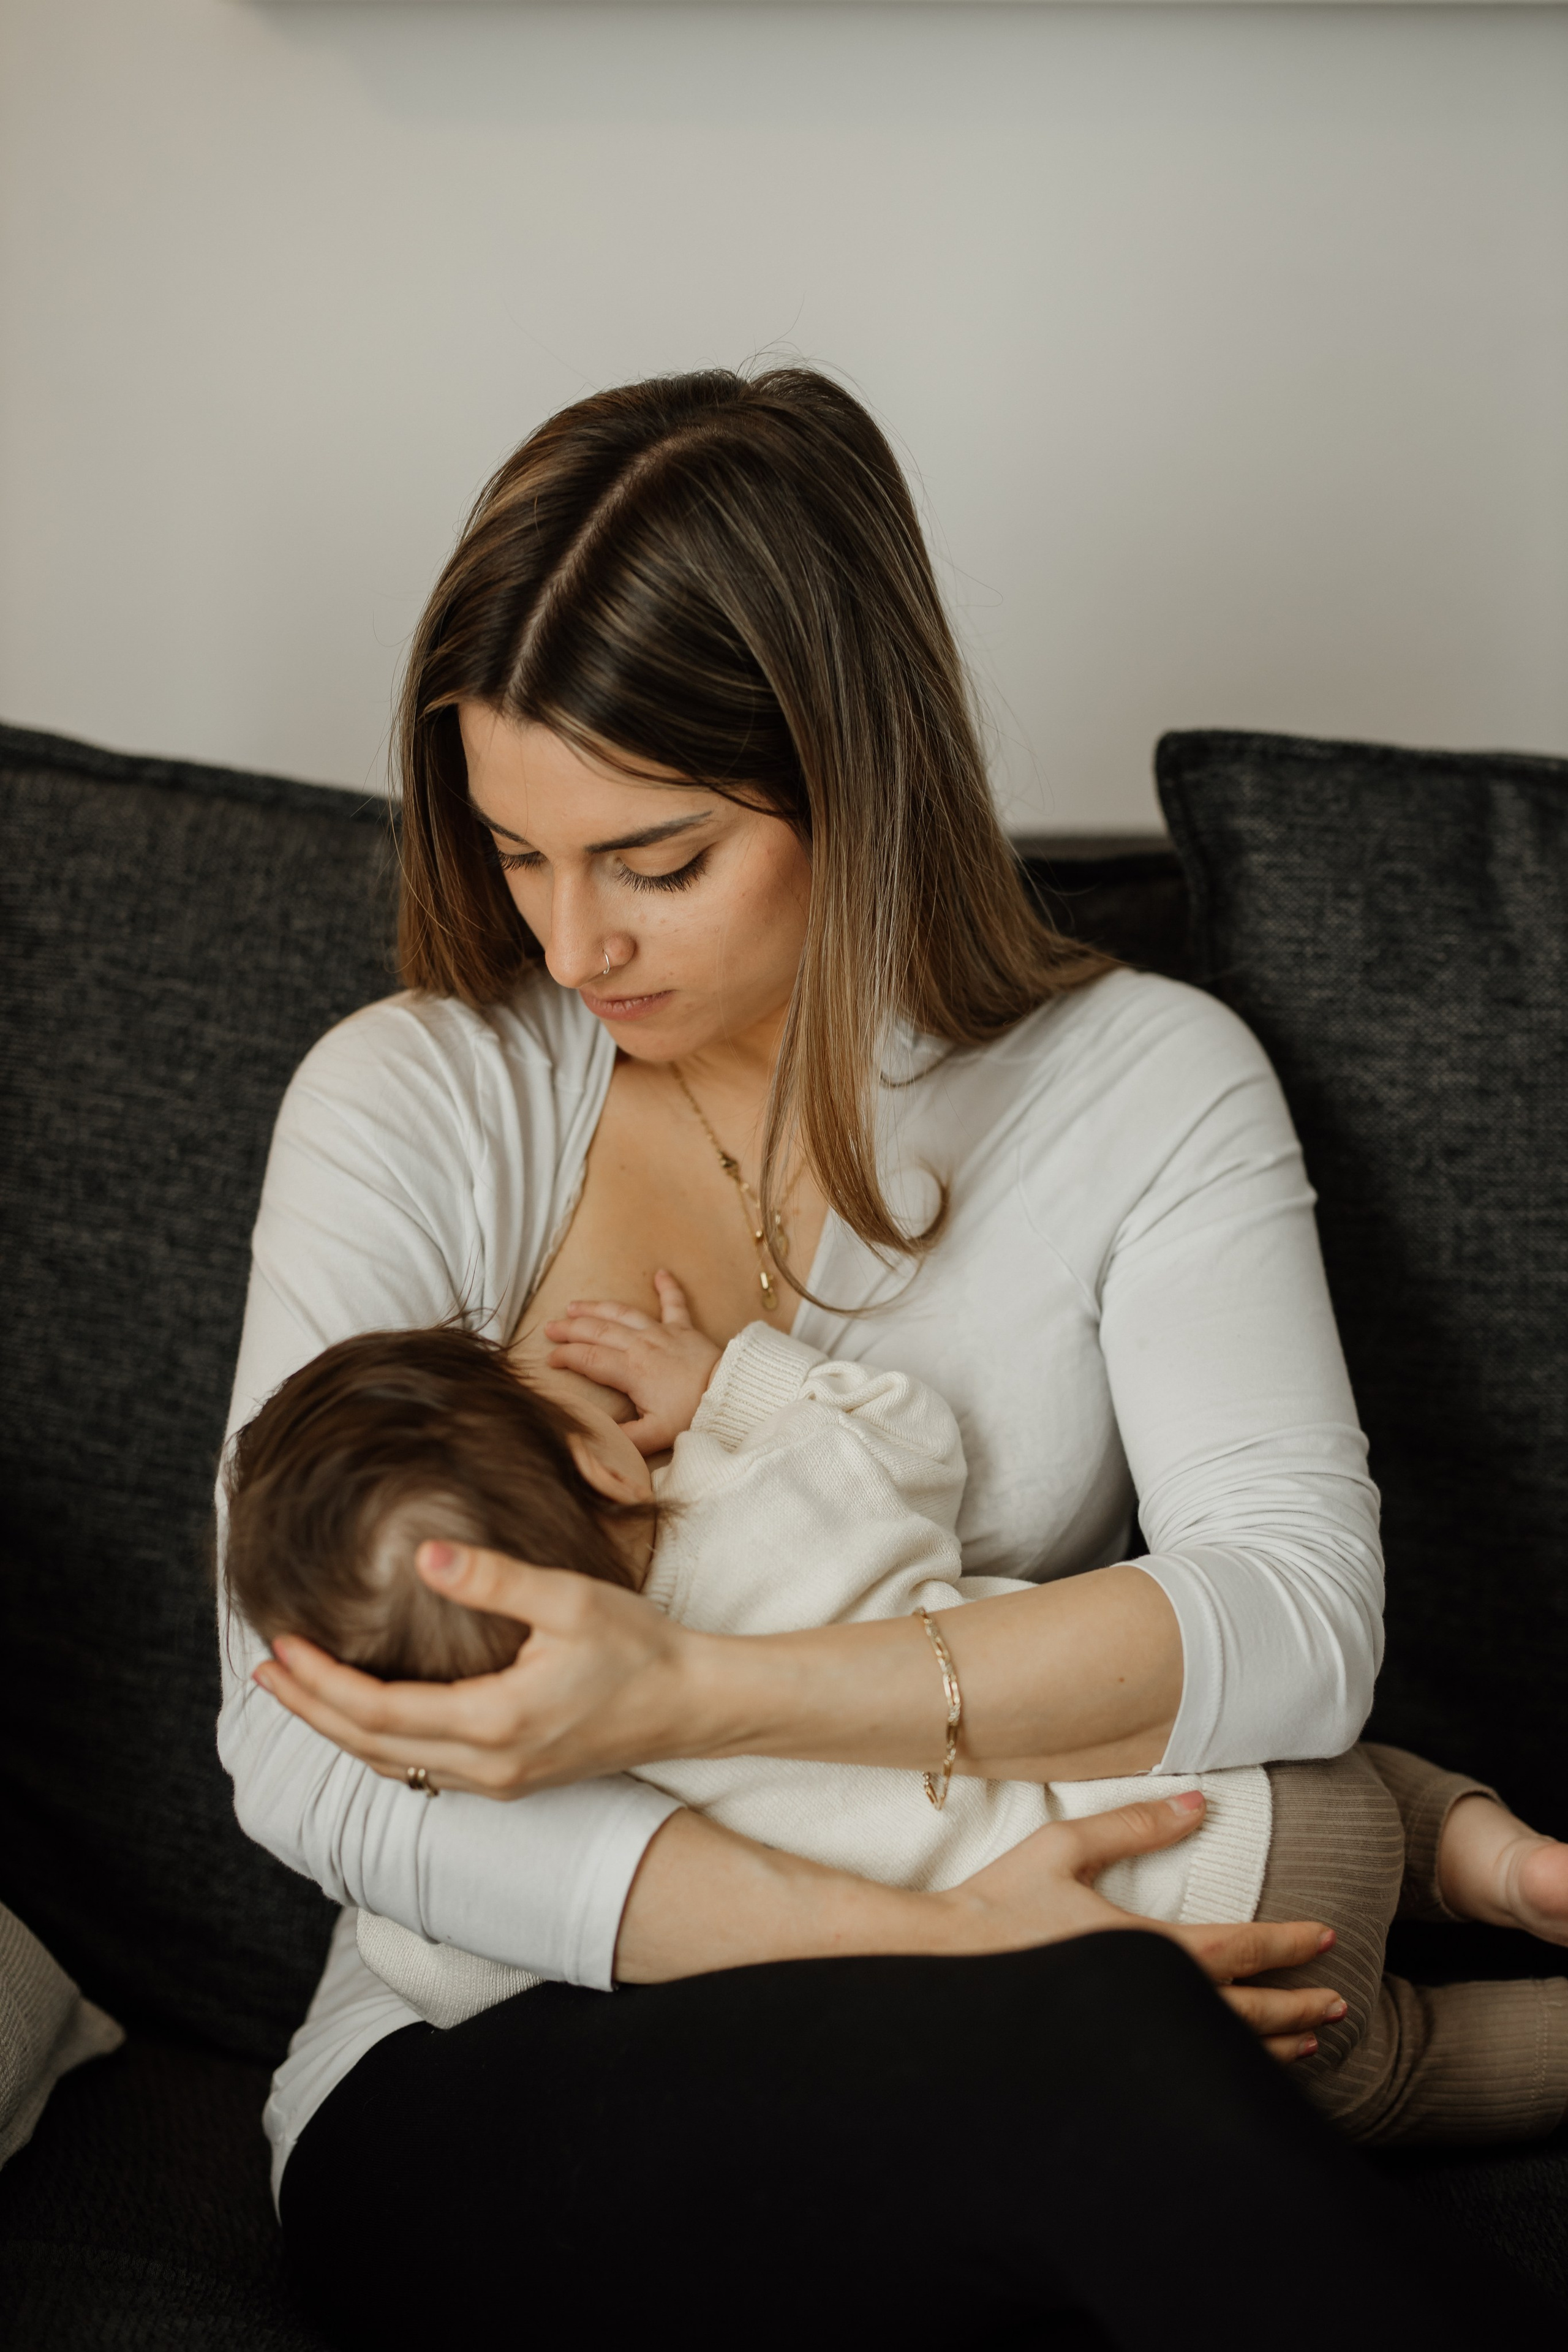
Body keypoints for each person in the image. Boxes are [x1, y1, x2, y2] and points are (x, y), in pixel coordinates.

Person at [218, 366, 1550, 2346]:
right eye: (516, 854)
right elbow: (294, 1738)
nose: (573, 945)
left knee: (1111, 2086)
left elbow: (1290, 1619)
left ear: (858, 767)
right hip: (492, 2072)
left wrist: (700, 1682)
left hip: (1014, 2053)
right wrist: (939, 1943)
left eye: (653, 860)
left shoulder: (1143, 1088)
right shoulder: (418, 1102)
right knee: (1099, 2037)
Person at [224, 1286, 1568, 2146]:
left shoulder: (526, 1802)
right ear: (592, 1454)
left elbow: (451, 1968)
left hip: (1188, 1983)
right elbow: (907, 1438)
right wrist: (734, 1387)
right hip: (1240, 1786)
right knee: (1379, 1792)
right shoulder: (767, 1496)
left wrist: (414, 1785)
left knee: (1414, 2065)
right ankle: (1502, 1869)